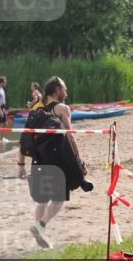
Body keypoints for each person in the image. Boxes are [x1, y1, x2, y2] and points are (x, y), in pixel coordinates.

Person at [16, 76, 92, 249]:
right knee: (58, 200)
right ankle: (40, 226)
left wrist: (20, 165)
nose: (66, 92)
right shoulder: (63, 108)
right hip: (57, 159)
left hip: (38, 159)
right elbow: (70, 135)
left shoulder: (35, 108)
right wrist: (78, 161)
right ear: (57, 90)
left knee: (42, 200)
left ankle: (40, 235)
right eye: (64, 88)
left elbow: (25, 138)